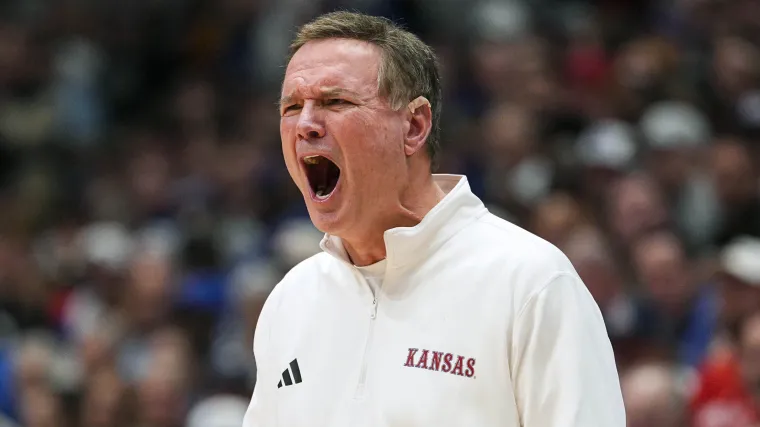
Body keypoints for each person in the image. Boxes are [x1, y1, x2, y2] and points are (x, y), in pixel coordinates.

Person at [243, 11, 624, 427]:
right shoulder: (291, 300)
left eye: (335, 102)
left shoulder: (530, 281)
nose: (306, 125)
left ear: (414, 125)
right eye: (292, 107)